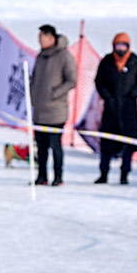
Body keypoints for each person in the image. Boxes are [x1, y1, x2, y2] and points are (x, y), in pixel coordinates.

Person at [94, 32, 137, 185]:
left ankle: (124, 174)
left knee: (128, 145)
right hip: (111, 108)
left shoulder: (135, 61)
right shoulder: (106, 61)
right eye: (118, 45)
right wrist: (108, 97)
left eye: (124, 45)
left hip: (128, 110)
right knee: (107, 144)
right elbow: (99, 82)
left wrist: (133, 94)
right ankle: (103, 173)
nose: (121, 49)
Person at [29, 24, 77, 187]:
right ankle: (41, 176)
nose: (40, 41)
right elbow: (34, 78)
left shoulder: (64, 56)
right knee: (40, 147)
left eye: (42, 37)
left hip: (56, 112)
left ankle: (58, 177)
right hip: (39, 111)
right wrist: (32, 93)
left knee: (55, 146)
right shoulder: (40, 56)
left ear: (51, 38)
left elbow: (72, 80)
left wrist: (54, 93)